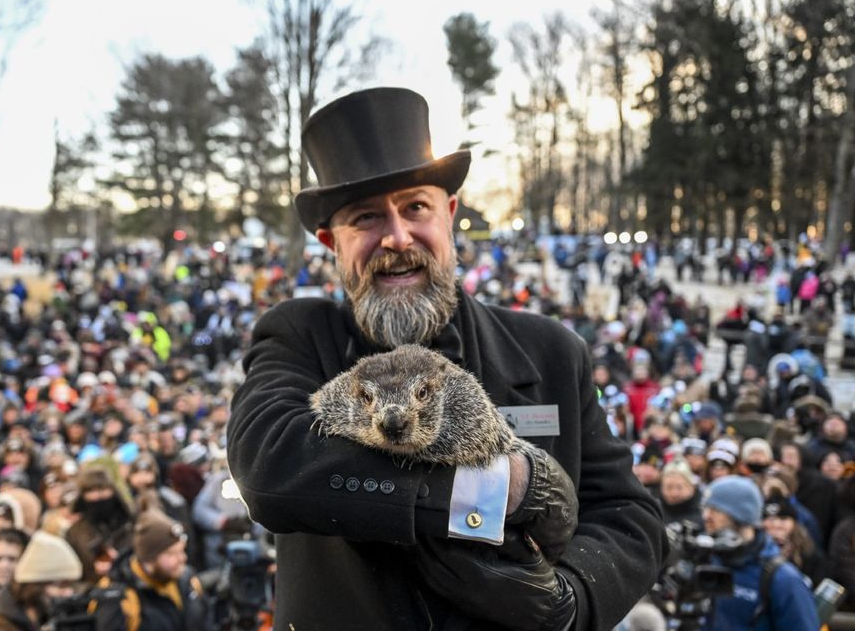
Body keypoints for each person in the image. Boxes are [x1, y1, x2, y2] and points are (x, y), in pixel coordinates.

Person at [227, 87, 667, 630]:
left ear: (450, 213)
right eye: (365, 218)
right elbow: (267, 461)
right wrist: (498, 490)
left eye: (415, 207)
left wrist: (570, 600)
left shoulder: (550, 349)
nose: (396, 237)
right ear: (330, 242)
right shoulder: (298, 334)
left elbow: (632, 517)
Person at [700, 476, 818, 630]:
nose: (706, 516)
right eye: (705, 508)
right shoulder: (710, 561)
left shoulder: (782, 579)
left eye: (715, 510)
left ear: (741, 515)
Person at [92, 508, 207, 631]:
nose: (183, 558)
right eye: (171, 554)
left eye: (182, 550)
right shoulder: (118, 597)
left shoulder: (187, 579)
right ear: (149, 559)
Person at [0, 530, 83, 631]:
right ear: (34, 587)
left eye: (70, 586)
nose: (67, 593)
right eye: (60, 585)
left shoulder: (45, 621)